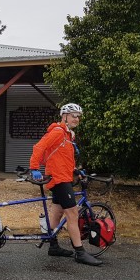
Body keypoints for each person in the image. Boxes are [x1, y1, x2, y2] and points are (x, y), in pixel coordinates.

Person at [29, 103, 102, 266]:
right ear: (64, 116)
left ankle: (53, 246)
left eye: (78, 116)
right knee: (73, 213)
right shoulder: (58, 132)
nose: (76, 119)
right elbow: (39, 147)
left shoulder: (68, 135)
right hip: (59, 179)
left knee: (57, 212)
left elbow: (63, 157)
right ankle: (80, 252)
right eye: (73, 115)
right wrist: (34, 168)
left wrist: (75, 170)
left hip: (63, 176)